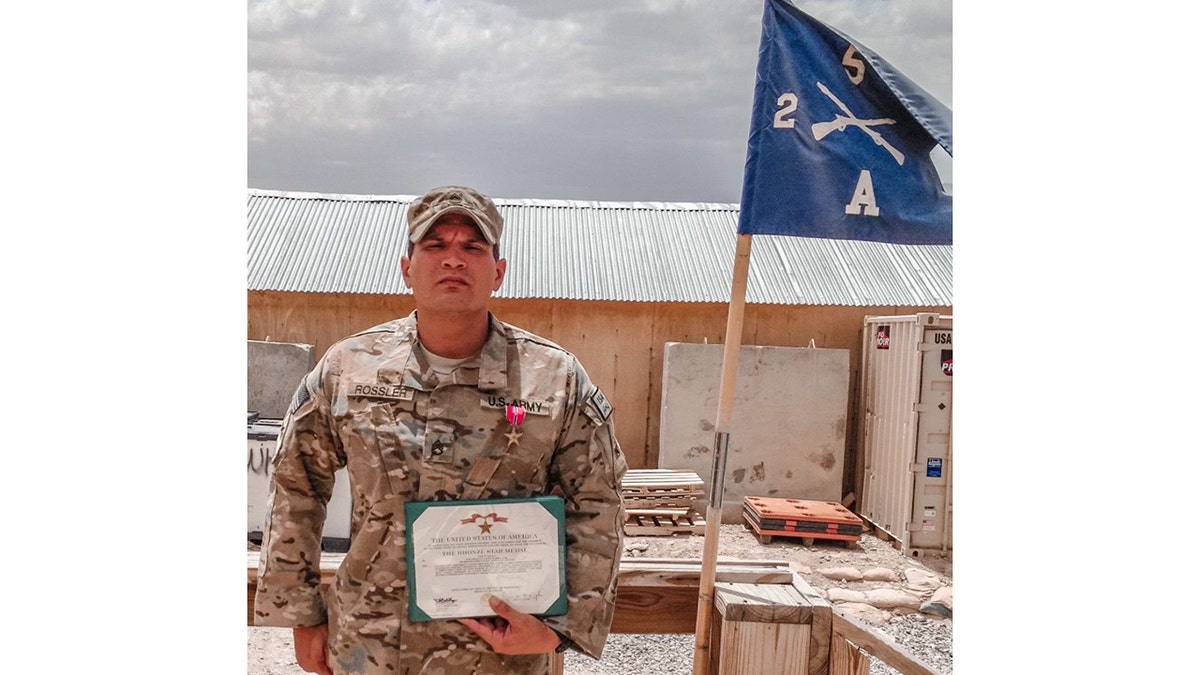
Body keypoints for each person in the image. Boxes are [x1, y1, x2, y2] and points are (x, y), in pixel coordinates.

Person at [254, 185, 628, 674]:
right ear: (407, 266)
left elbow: (599, 502)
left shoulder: (553, 378)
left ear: (498, 271)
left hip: (497, 657)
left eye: (473, 247)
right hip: (369, 646)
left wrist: (560, 628)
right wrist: (302, 616)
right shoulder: (349, 369)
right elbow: (296, 487)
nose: (454, 259)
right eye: (436, 246)